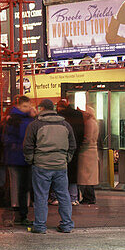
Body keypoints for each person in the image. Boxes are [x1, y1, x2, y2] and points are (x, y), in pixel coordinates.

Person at [23, 99, 77, 234]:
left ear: (41, 108)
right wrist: (66, 159)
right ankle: (66, 225)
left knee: (41, 195)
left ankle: (40, 226)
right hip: (60, 165)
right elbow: (72, 145)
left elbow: (27, 146)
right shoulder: (66, 125)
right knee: (63, 195)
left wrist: (32, 160)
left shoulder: (35, 125)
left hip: (41, 165)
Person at [2, 95, 35, 225]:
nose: (27, 109)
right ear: (19, 106)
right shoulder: (19, 120)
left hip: (16, 156)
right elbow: (24, 135)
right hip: (19, 156)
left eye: (29, 106)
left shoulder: (13, 118)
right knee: (21, 187)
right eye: (25, 106)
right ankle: (20, 213)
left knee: (21, 187)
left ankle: (20, 213)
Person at [57, 99, 86, 205]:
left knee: (61, 173)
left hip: (62, 148)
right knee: (73, 173)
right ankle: (74, 198)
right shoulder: (78, 115)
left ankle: (58, 197)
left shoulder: (59, 116)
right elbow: (82, 133)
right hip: (75, 147)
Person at [78, 106, 100, 206]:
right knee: (89, 176)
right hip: (91, 152)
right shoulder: (94, 122)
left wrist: (80, 146)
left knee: (86, 177)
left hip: (87, 153)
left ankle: (89, 197)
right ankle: (89, 197)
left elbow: (87, 138)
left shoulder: (89, 123)